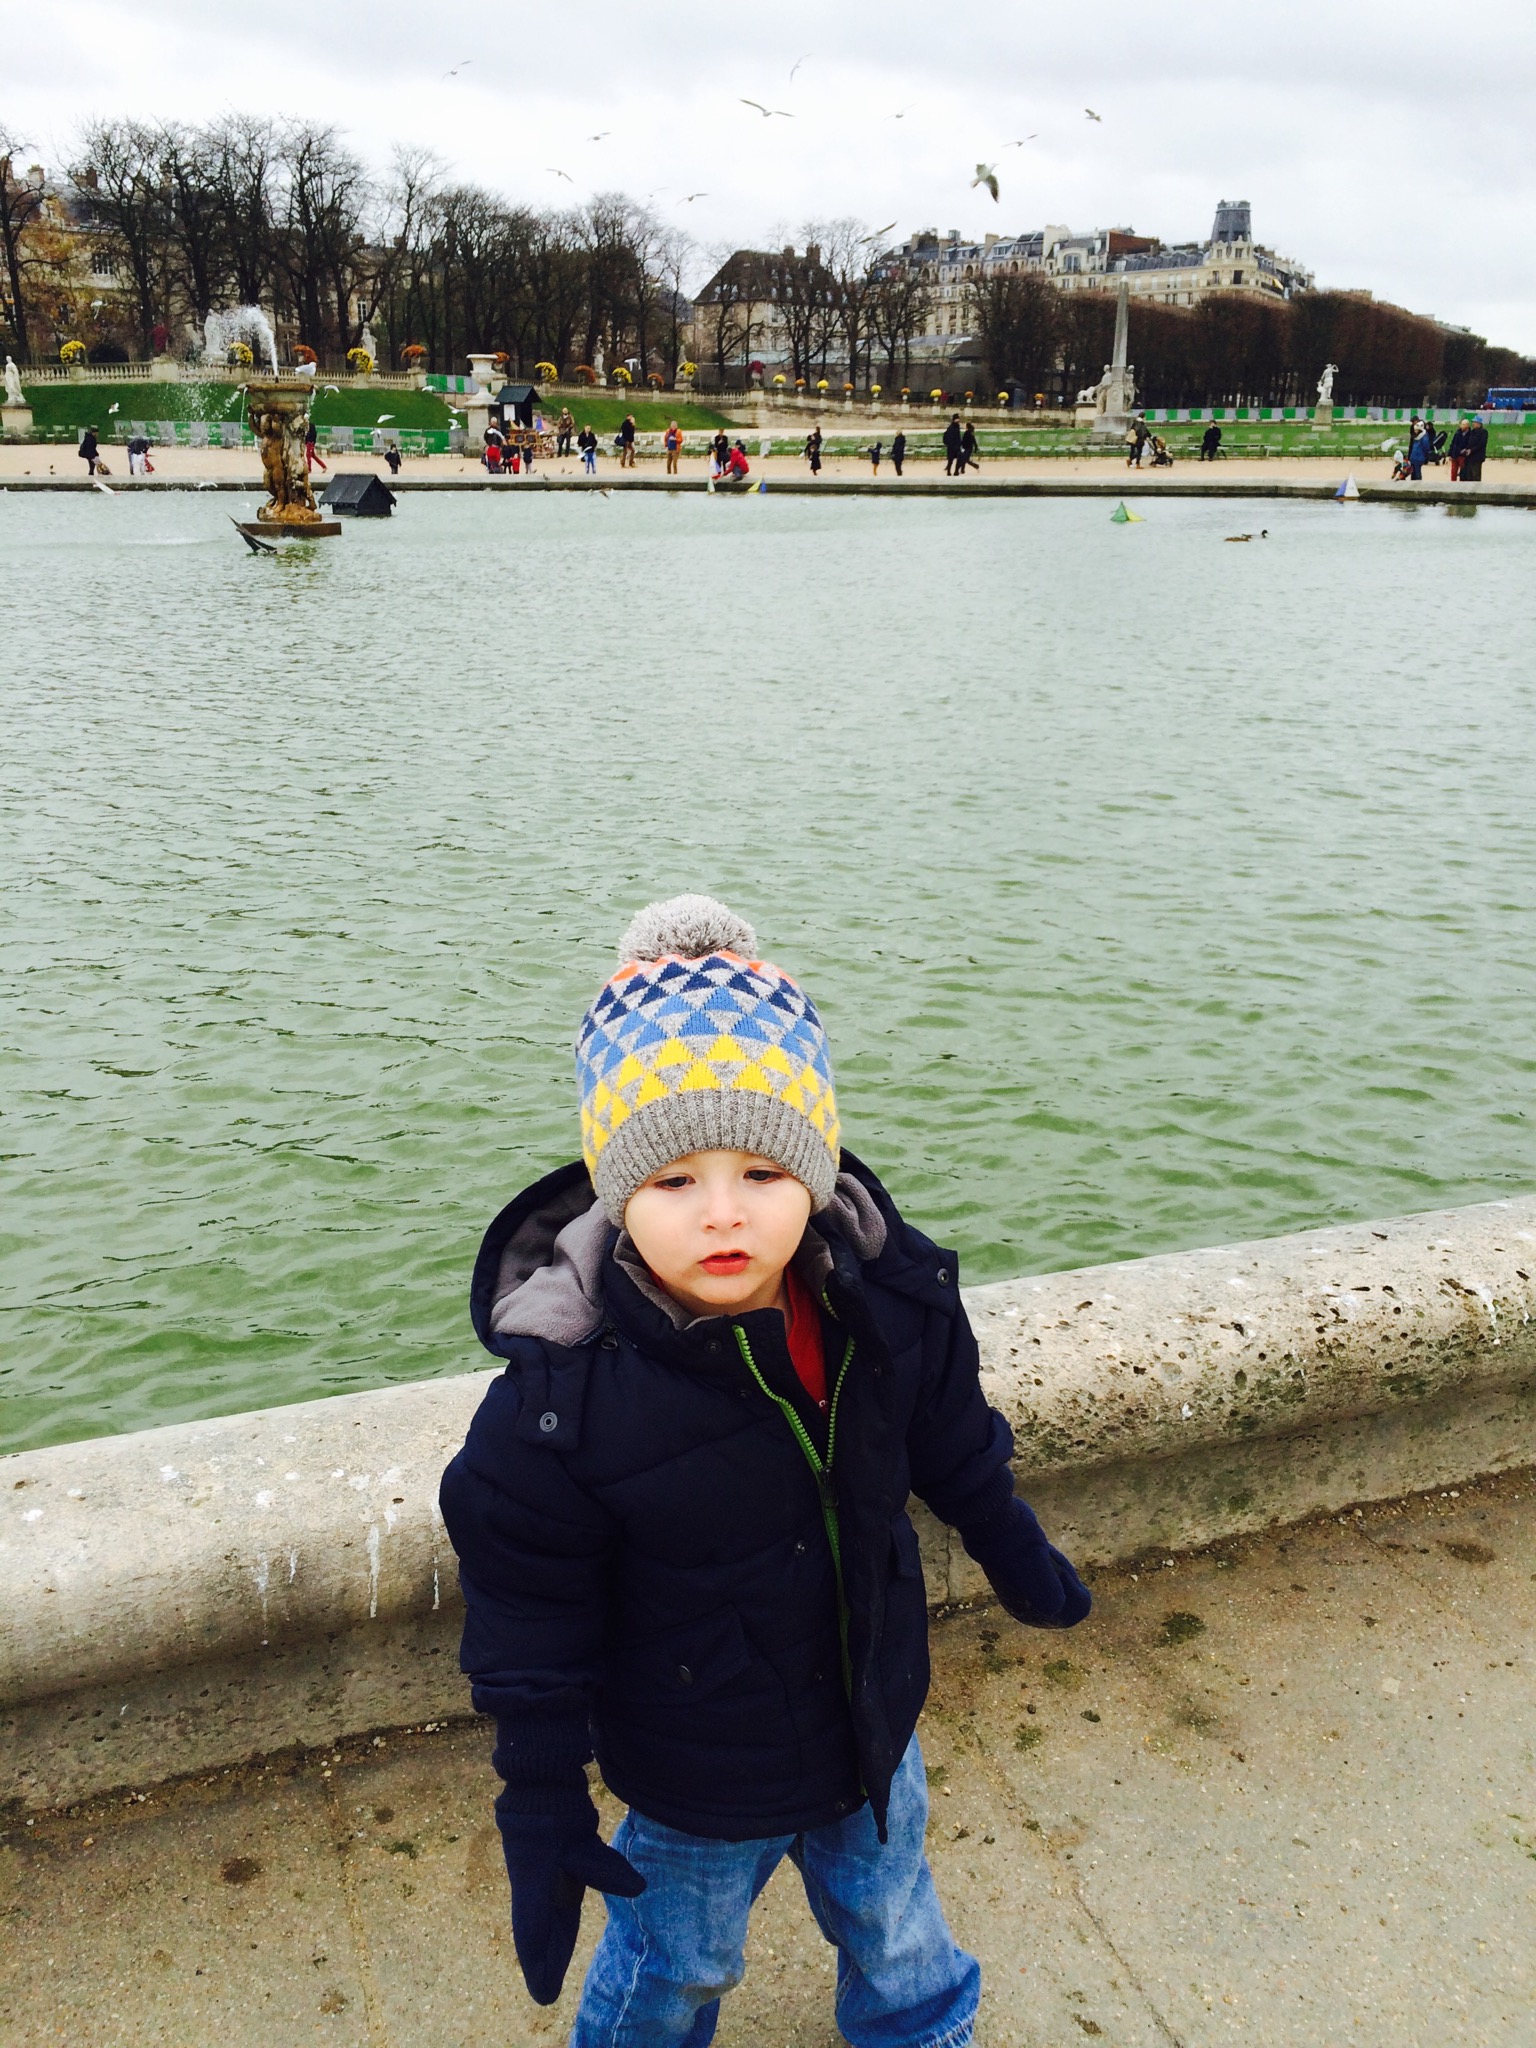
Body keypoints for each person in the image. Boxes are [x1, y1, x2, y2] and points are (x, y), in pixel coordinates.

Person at [439, 893, 1091, 2048]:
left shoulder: (890, 1297)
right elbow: (527, 1608)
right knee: (677, 1961)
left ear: (817, 1170)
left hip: (872, 1706)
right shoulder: (560, 1407)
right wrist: (539, 1788)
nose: (724, 1214)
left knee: (895, 1916)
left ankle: (924, 2024)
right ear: (615, 1189)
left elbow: (947, 1429)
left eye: (763, 1171)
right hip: (700, 1759)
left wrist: (1007, 1535)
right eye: (674, 1180)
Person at [1463, 415, 1488, 482]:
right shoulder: (1472, 431)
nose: (1473, 424)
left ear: (1478, 423)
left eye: (1474, 422)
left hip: (1477, 457)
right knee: (1469, 475)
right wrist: (1466, 449)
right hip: (1470, 456)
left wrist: (1471, 450)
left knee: (1476, 475)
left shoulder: (1483, 432)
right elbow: (1469, 442)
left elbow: (1481, 444)